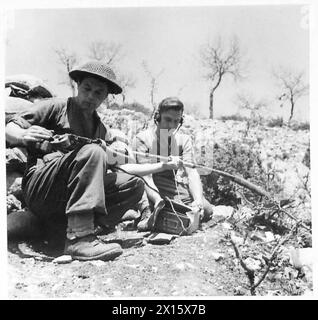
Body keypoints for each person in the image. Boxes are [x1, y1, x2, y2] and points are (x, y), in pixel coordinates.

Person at [5, 61, 180, 261]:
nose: (91, 96)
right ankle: (79, 239)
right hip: (42, 188)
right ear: (78, 85)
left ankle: (64, 230)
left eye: (98, 93)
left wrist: (163, 165)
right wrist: (24, 135)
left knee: (132, 185)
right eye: (87, 88)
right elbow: (10, 129)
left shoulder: (101, 129)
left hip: (68, 199)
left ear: (105, 97)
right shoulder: (57, 107)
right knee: (93, 151)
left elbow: (123, 165)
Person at [134, 97, 214, 231]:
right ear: (157, 117)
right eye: (168, 120)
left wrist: (198, 201)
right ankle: (146, 211)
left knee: (207, 211)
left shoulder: (184, 140)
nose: (172, 125)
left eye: (176, 121)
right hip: (148, 186)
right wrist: (157, 199)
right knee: (158, 205)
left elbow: (192, 173)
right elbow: (145, 176)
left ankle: (164, 210)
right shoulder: (143, 139)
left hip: (171, 187)